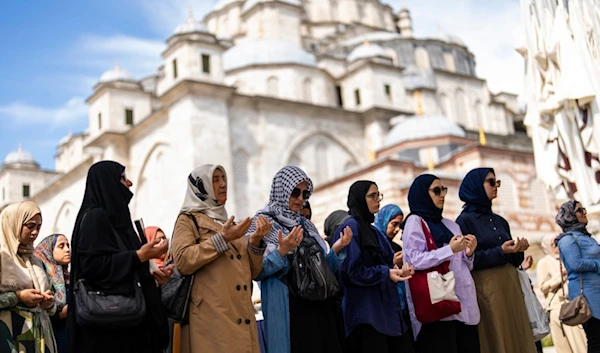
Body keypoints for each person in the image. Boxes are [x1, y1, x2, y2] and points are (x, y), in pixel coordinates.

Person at [66, 161, 172, 353]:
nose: (130, 183)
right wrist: (139, 256)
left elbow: (126, 267)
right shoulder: (95, 218)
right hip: (110, 332)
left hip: (131, 325)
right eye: (123, 178)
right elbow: (93, 268)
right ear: (108, 183)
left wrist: (155, 280)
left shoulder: (116, 220)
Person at [249, 166, 352, 353]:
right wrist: (282, 251)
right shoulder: (262, 223)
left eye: (305, 194)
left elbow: (321, 269)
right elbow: (256, 270)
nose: (300, 199)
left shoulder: (306, 225)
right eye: (295, 192)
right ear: (282, 190)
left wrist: (337, 248)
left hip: (320, 306)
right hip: (289, 307)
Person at [171, 164, 269, 353]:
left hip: (241, 312)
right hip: (212, 319)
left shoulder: (228, 222)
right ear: (201, 187)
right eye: (215, 180)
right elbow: (183, 261)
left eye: (223, 179)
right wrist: (222, 239)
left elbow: (253, 272)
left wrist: (255, 243)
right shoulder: (188, 219)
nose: (223, 184)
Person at [455, 168, 536, 353]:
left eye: (497, 182)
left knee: (517, 332)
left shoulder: (500, 220)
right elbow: (469, 259)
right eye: (491, 182)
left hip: (510, 284)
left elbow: (512, 260)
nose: (496, 186)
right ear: (476, 186)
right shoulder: (464, 221)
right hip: (488, 286)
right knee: (497, 334)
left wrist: (517, 250)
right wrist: (500, 251)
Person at [402, 174, 480, 353]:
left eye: (443, 190)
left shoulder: (451, 225)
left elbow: (463, 265)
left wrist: (469, 253)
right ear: (423, 194)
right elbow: (414, 259)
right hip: (437, 306)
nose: (442, 195)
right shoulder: (415, 222)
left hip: (461, 301)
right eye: (436, 191)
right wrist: (449, 250)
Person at [336, 180, 413, 353]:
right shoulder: (350, 228)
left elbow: (386, 263)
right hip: (366, 315)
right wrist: (386, 273)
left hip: (387, 312)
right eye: (372, 196)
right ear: (360, 199)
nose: (378, 200)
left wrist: (398, 270)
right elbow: (350, 271)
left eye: (379, 195)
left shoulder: (373, 231)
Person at [0, 201, 57, 353]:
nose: (35, 232)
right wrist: (18, 297)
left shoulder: (37, 261)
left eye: (38, 227)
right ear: (14, 223)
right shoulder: (2, 257)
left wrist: (48, 303)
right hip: (8, 339)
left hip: (40, 339)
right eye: (30, 226)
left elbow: (53, 303)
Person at [555, 200, 600, 353]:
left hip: (596, 290)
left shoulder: (585, 236)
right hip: (587, 295)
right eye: (580, 210)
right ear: (570, 216)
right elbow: (575, 264)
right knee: (596, 339)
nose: (584, 212)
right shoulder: (567, 239)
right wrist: (598, 265)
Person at [373, 204, 414, 352]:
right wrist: (392, 263)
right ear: (384, 221)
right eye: (394, 224)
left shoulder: (396, 247)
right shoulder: (374, 245)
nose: (397, 229)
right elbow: (374, 270)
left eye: (399, 225)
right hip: (384, 307)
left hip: (401, 307)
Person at [537, 233, 587, 353]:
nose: (557, 246)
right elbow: (543, 286)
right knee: (563, 347)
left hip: (572, 306)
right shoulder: (544, 263)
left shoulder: (567, 258)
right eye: (554, 243)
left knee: (580, 345)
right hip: (557, 308)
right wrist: (561, 276)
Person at [35, 234, 71, 353]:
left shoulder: (69, 278)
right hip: (51, 337)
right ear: (48, 251)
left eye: (68, 245)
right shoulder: (42, 278)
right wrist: (61, 315)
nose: (67, 250)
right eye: (61, 246)